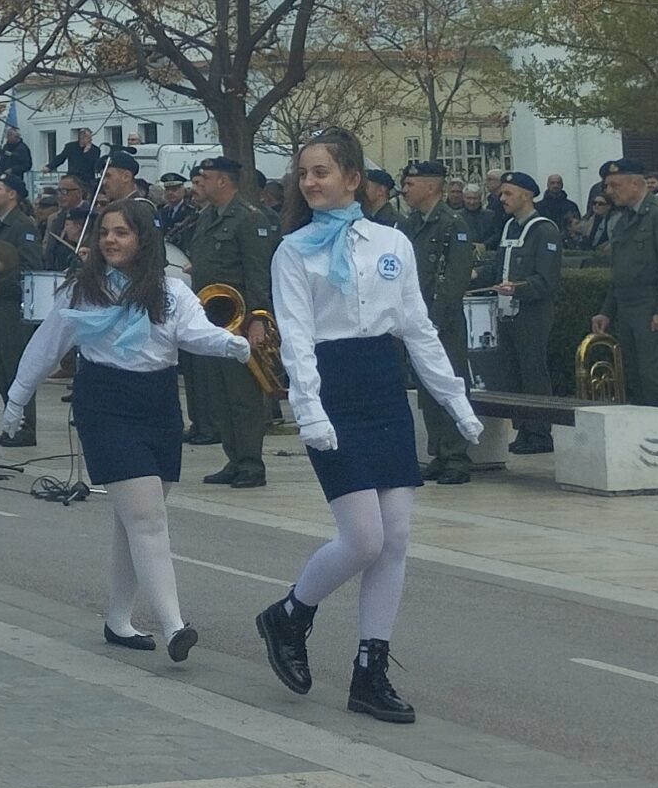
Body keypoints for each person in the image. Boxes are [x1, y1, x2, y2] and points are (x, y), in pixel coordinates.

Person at [254, 129, 479, 726]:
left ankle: (369, 669)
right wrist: (310, 409)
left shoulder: (393, 242)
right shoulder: (293, 250)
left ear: (354, 177)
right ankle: (291, 612)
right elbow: (296, 337)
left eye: (322, 171)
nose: (311, 182)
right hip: (332, 384)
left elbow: (417, 327)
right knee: (363, 539)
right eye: (304, 173)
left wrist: (455, 401)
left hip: (381, 382)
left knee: (396, 537)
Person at [6, 197, 250, 657]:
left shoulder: (170, 290)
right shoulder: (82, 290)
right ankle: (175, 625)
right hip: (106, 404)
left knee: (133, 522)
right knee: (148, 520)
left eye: (121, 233)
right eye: (105, 233)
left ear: (143, 239)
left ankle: (119, 620)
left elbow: (193, 333)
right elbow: (46, 347)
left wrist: (231, 345)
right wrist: (16, 400)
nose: (111, 241)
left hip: (158, 405)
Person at [590, 156, 658, 473]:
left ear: (636, 183)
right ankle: (648, 441)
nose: (609, 191)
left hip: (651, 308)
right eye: (607, 186)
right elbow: (619, 273)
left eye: (615, 185)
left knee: (652, 376)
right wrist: (606, 311)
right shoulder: (623, 220)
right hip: (626, 308)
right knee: (634, 377)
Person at [180, 156, 276, 487]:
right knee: (219, 395)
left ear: (223, 181)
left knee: (242, 397)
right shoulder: (207, 217)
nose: (198, 183)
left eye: (204, 178)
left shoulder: (249, 219)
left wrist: (259, 320)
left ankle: (251, 464)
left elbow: (258, 273)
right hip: (211, 321)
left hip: (241, 321)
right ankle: (234, 458)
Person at [398, 161, 477, 485]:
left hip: (443, 322)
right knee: (428, 388)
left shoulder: (452, 224)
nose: (404, 190)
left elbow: (455, 279)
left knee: (450, 383)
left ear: (430, 187)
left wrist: (435, 320)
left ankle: (457, 455)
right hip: (418, 320)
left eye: (411, 184)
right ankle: (440, 452)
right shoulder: (412, 224)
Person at [477, 169, 562, 456]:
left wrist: (518, 288)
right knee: (512, 371)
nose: (502, 198)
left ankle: (540, 431)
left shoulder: (544, 230)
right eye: (502, 193)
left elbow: (546, 279)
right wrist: (477, 273)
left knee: (533, 370)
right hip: (507, 311)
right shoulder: (510, 227)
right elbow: (499, 265)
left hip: (532, 312)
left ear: (526, 195)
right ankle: (523, 429)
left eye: (508, 193)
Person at [0, 176, 42, 450]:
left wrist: (0, 286)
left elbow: (30, 269)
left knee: (17, 370)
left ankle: (25, 426)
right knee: (2, 371)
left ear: (12, 194)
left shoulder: (22, 226)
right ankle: (10, 423)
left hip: (14, 308)